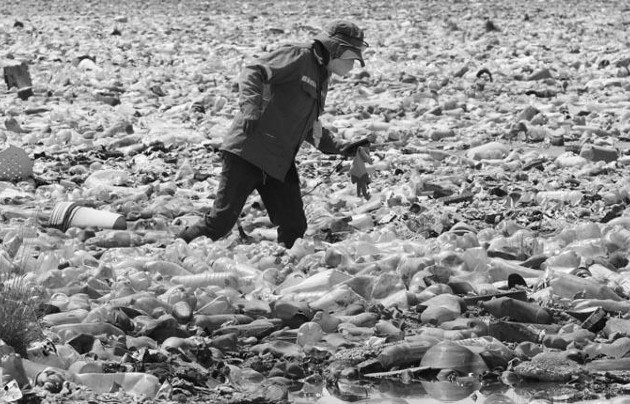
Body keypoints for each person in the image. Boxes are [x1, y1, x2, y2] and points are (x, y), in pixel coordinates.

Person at [177, 20, 372, 248]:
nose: (353, 66)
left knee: (294, 226)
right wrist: (251, 108)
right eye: (352, 58)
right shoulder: (299, 57)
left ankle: (285, 268)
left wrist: (341, 147)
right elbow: (253, 70)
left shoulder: (322, 77)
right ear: (336, 49)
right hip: (248, 151)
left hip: (279, 161)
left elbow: (309, 125)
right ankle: (175, 247)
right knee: (220, 222)